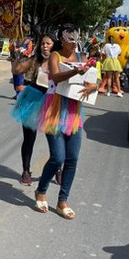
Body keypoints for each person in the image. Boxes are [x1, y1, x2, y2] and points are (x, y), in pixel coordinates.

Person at [34, 25, 98, 220]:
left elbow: (94, 79)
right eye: (70, 40)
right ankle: (41, 190)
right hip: (54, 110)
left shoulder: (82, 58)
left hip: (74, 111)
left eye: (75, 40)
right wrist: (75, 72)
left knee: (72, 159)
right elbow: (55, 76)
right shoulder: (55, 56)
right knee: (57, 158)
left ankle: (63, 201)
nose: (73, 44)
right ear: (62, 40)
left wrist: (94, 85)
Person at [10, 33, 55, 185]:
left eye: (48, 43)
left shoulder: (60, 61)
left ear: (54, 45)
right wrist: (17, 56)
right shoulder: (35, 60)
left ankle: (58, 168)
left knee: (55, 139)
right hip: (32, 100)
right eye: (43, 43)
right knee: (29, 139)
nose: (45, 46)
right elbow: (17, 70)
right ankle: (25, 171)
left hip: (52, 102)